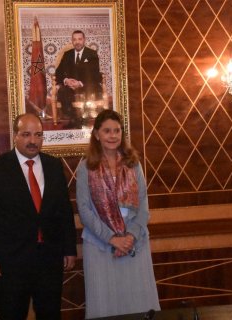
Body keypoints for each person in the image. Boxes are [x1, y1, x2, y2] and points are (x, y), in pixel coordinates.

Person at [0, 113, 77, 320]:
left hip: (49, 259)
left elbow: (64, 211)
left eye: (38, 135)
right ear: (15, 136)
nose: (33, 141)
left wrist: (69, 249)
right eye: (26, 134)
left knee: (50, 314)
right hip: (10, 262)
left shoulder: (54, 166)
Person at [76, 110, 160, 318]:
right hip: (100, 245)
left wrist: (129, 237)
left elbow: (143, 206)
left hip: (135, 244)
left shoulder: (133, 163)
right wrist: (112, 239)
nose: (113, 136)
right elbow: (84, 210)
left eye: (117, 131)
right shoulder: (86, 166)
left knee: (137, 305)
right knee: (105, 306)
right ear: (96, 134)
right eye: (107, 131)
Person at [55, 30, 102, 125]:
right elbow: (58, 72)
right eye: (74, 39)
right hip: (70, 86)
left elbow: (95, 74)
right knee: (62, 91)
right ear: (72, 41)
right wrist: (66, 80)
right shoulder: (67, 54)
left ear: (84, 40)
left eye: (80, 39)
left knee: (92, 88)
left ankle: (79, 119)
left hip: (87, 85)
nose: (77, 42)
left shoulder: (92, 54)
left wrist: (80, 83)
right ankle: (75, 117)